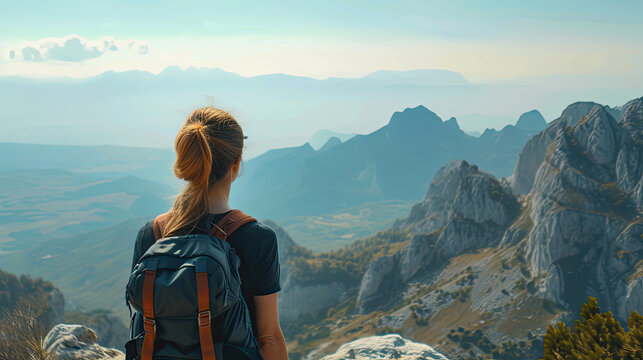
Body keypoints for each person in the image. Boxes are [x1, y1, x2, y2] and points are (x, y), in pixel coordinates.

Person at [129, 106, 288, 359]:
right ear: (236, 164)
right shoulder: (258, 238)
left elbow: (143, 326)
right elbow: (268, 338)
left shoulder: (151, 234)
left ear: (186, 159)